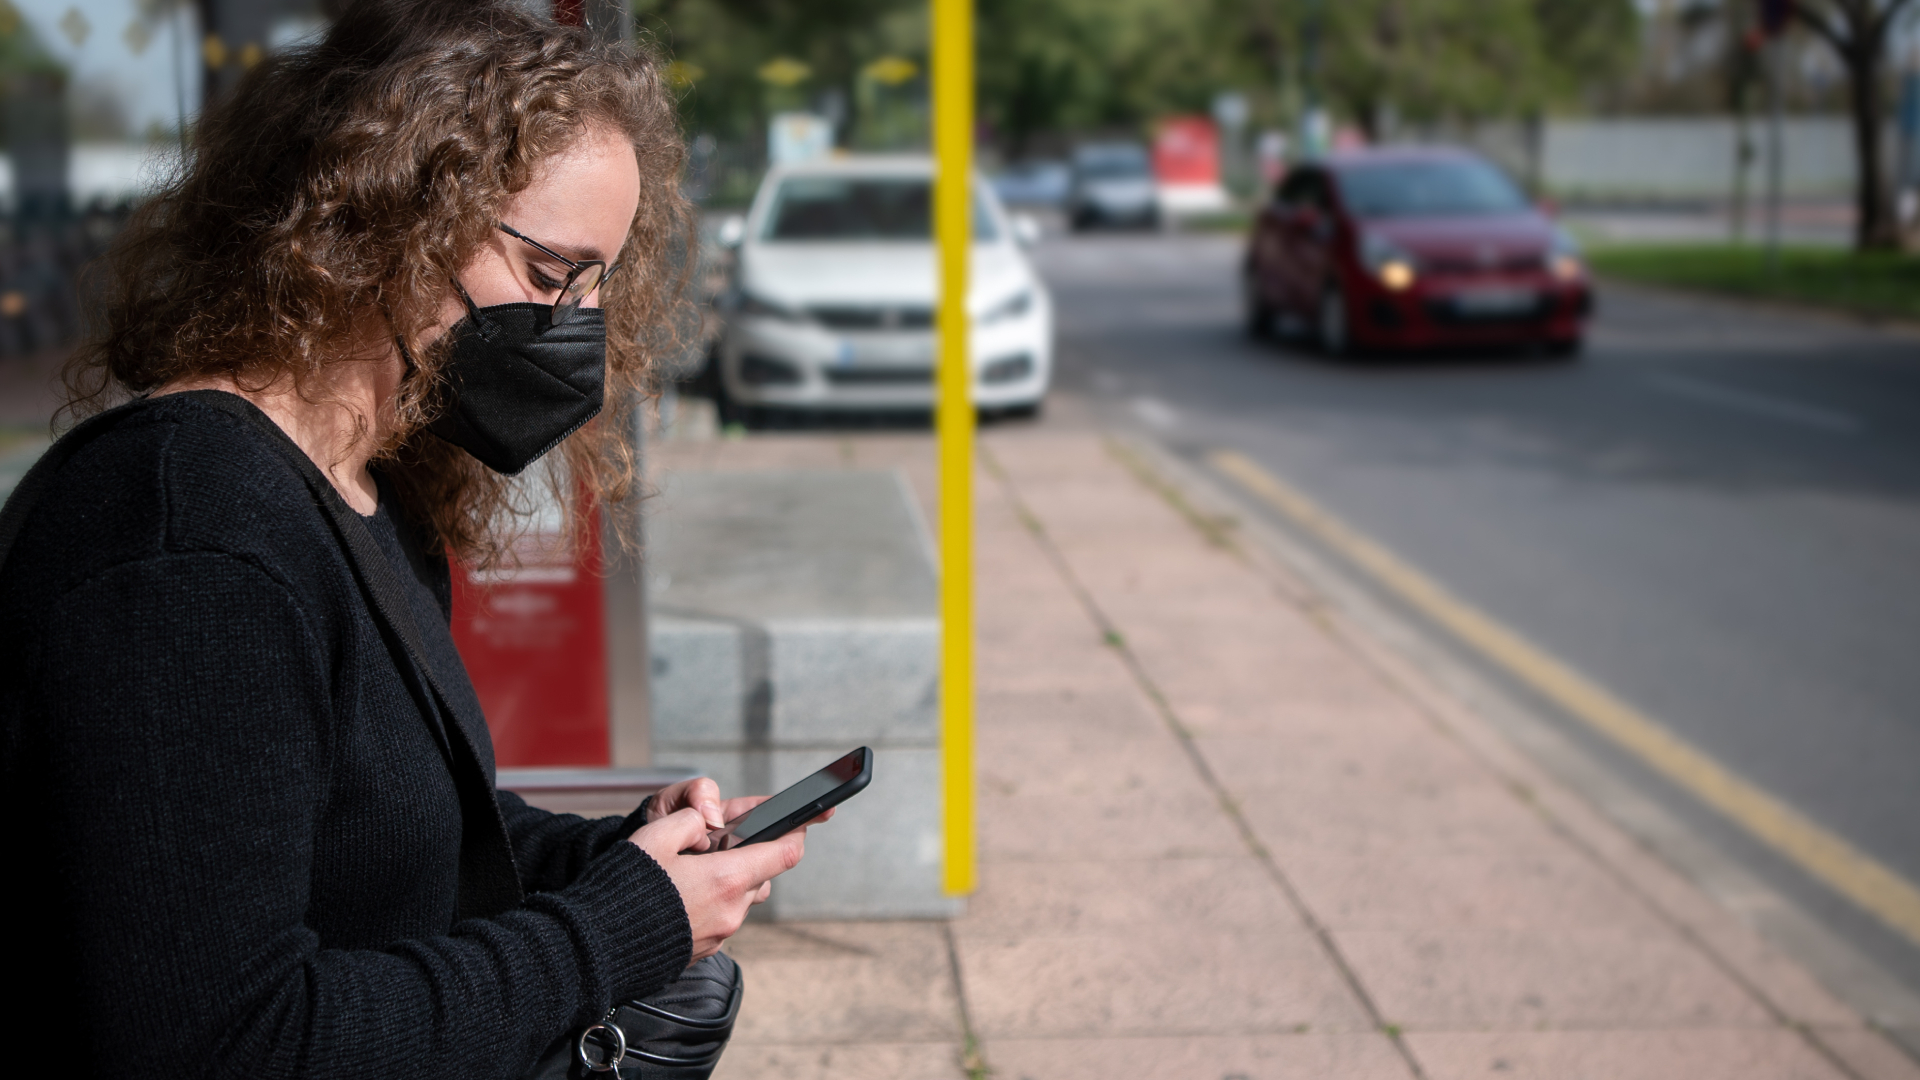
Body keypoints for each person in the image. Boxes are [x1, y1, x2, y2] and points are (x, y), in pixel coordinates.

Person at [0, 3, 815, 1077]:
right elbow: (225, 1044)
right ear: (385, 218)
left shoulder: (364, 490)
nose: (577, 323)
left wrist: (619, 857)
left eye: (598, 283)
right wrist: (619, 927)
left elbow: (383, 849)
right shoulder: (186, 541)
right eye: (548, 274)